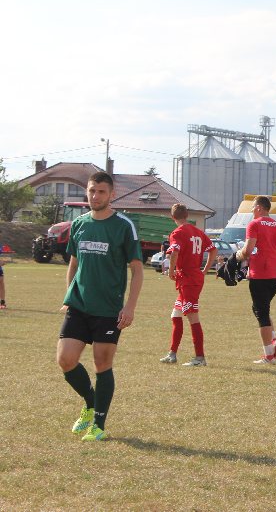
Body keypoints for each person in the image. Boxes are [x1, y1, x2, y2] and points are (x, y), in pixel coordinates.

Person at [56, 172, 144, 442]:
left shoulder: (123, 226)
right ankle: (90, 402)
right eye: (92, 190)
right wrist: (69, 295)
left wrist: (129, 307)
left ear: (112, 194)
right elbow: (74, 263)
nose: (95, 196)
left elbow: (137, 270)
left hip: (108, 309)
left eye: (101, 191)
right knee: (65, 360)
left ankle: (98, 425)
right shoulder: (79, 224)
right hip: (79, 305)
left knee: (102, 363)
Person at [236, 195, 276, 364]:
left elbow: (248, 250)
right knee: (260, 308)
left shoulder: (254, 224)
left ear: (259, 208)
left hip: (260, 275)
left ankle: (269, 355)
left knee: (262, 313)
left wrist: (238, 255)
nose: (252, 211)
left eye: (253, 207)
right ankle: (273, 340)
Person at [159, 203, 217, 366]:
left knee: (192, 316)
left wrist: (171, 271)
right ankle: (172, 354)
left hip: (188, 279)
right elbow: (213, 250)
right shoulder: (198, 232)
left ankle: (200, 358)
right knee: (176, 315)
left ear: (173, 217)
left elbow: (175, 252)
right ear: (187, 215)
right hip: (192, 277)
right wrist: (204, 270)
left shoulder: (177, 232)